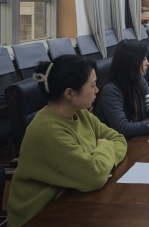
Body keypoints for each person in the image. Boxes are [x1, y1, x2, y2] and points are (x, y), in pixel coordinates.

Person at [7, 55, 127, 227]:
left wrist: (99, 159)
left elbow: (119, 139)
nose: (97, 90)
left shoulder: (80, 113)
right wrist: (105, 147)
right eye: (93, 85)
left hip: (74, 200)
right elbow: (95, 176)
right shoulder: (50, 131)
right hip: (40, 216)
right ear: (69, 93)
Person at [94, 39, 149, 138]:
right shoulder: (111, 91)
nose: (147, 62)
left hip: (134, 138)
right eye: (143, 59)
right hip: (115, 142)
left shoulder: (139, 80)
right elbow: (123, 128)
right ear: (132, 62)